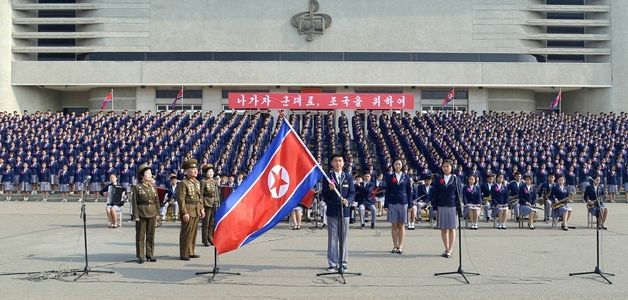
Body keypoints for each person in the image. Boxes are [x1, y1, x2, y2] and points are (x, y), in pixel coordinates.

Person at [321, 154, 355, 272]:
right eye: (335, 161)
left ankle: (343, 262)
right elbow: (324, 194)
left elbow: (352, 192)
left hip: (344, 211)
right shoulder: (327, 177)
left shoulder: (348, 177)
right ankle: (333, 263)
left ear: (343, 163)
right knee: (333, 238)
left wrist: (348, 201)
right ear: (332, 163)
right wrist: (329, 190)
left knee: (343, 237)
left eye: (340, 161)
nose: (338, 163)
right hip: (332, 211)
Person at [432, 160, 463, 258]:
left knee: (452, 228)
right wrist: (435, 207)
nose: (445, 168)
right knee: (444, 228)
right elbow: (435, 194)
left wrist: (459, 207)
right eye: (444, 166)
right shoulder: (438, 179)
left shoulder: (456, 178)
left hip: (452, 205)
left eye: (447, 166)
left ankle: (450, 249)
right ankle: (446, 248)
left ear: (451, 167)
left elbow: (459, 193)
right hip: (441, 205)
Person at [131, 164, 160, 264]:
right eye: (147, 173)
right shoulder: (137, 187)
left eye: (150, 173)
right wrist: (135, 216)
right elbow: (134, 202)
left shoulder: (153, 186)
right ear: (142, 176)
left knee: (151, 235)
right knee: (140, 235)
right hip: (141, 212)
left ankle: (149, 254)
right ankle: (140, 255)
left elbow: (156, 201)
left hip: (152, 212)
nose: (150, 175)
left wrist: (158, 213)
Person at [177, 159, 205, 261]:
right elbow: (181, 199)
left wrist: (202, 208)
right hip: (188, 210)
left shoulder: (197, 182)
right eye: (192, 169)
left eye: (196, 169)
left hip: (196, 210)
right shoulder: (183, 183)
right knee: (186, 232)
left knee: (193, 232)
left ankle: (191, 251)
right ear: (186, 171)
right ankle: (184, 253)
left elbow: (200, 197)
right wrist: (184, 212)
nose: (195, 171)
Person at [385, 159, 412, 254]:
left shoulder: (407, 177)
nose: (397, 166)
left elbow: (409, 192)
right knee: (394, 225)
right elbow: (387, 191)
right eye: (396, 164)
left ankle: (400, 246)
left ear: (402, 165)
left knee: (401, 225)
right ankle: (395, 245)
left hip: (403, 202)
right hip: (392, 202)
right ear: (393, 165)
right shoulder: (389, 177)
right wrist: (386, 204)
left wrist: (410, 204)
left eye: (399, 164)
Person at [200, 164, 219, 245]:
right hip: (206, 203)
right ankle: (205, 240)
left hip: (214, 203)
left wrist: (218, 202)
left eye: (212, 171)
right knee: (206, 223)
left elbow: (217, 193)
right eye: (209, 172)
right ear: (205, 173)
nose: (211, 173)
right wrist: (201, 206)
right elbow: (200, 194)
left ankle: (210, 237)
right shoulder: (203, 181)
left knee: (212, 223)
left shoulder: (214, 181)